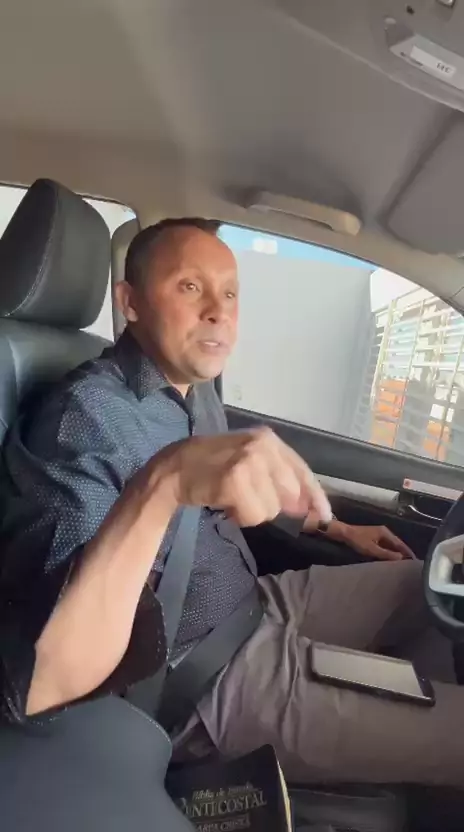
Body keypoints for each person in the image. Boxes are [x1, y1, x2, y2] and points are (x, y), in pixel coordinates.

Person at [0, 218, 463, 788]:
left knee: (433, 583)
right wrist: (164, 483)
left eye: (230, 293)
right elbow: (49, 680)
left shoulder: (192, 391)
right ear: (130, 302)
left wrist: (337, 528)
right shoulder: (84, 419)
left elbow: (232, 497)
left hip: (258, 604)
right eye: (190, 287)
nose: (218, 311)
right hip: (202, 677)